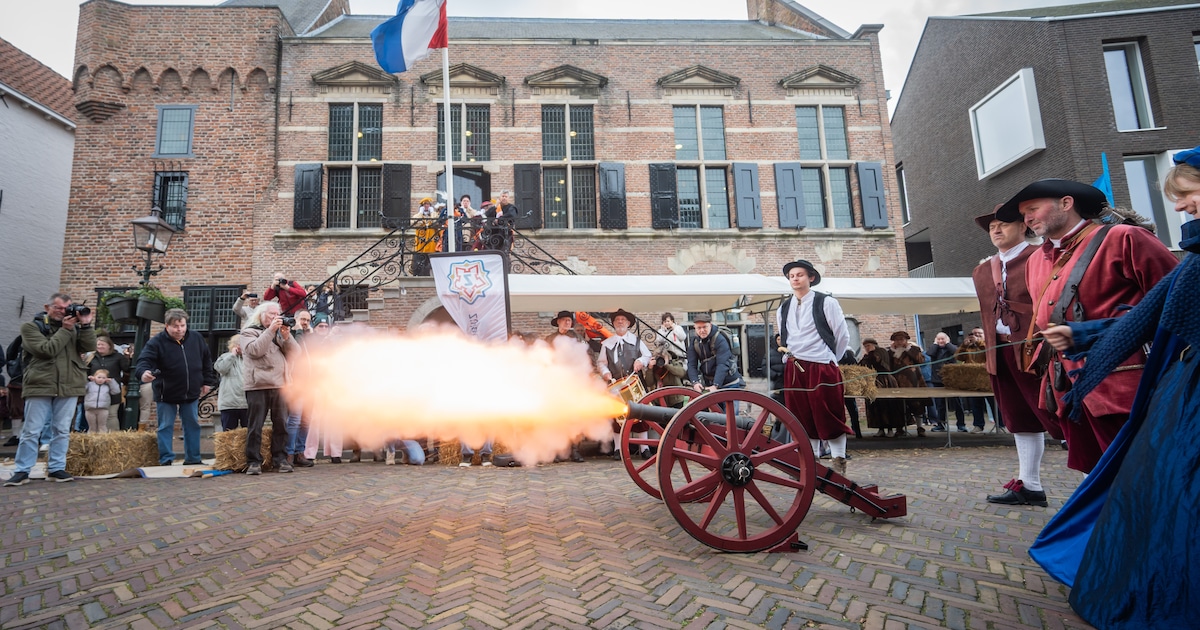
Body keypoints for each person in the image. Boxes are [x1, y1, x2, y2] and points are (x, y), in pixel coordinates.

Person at [1028, 148, 1200, 627]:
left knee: (1154, 483)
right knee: (1133, 483)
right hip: (1103, 382)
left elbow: (1163, 305)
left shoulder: (1123, 238)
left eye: (1188, 195)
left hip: (1145, 385)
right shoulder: (1044, 258)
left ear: (1066, 203)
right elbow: (1148, 313)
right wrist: (1078, 335)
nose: (1182, 207)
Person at [996, 178, 1178, 473]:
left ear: (1066, 204)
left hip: (1125, 384)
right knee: (1095, 479)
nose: (1027, 219)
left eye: (1032, 208)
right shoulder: (1035, 261)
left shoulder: (1125, 237)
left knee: (1143, 474)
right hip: (1067, 389)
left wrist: (1090, 333)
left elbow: (1179, 303)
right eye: (1024, 214)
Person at [969, 208, 1065, 507]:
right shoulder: (982, 270)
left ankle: (1095, 484)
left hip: (1037, 351)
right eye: (992, 227)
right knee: (1018, 418)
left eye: (1003, 225)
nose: (996, 230)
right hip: (999, 352)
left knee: (1059, 414)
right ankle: (1030, 485)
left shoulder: (1045, 256)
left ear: (1023, 227)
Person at [4, 293, 95, 486]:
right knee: (31, 430)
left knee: (62, 430)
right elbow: (46, 350)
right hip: (40, 384)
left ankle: (56, 467)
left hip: (68, 384)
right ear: (47, 307)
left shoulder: (73, 328)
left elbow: (89, 347)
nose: (64, 312)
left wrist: (86, 325)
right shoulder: (30, 327)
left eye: (67, 308)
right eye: (59, 308)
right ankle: (22, 470)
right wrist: (66, 330)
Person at [774, 260, 853, 474]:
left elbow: (842, 335)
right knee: (801, 413)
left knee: (828, 411)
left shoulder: (826, 302)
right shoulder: (783, 308)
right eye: (791, 275)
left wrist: (830, 358)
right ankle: (812, 460)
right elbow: (785, 337)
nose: (795, 278)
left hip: (821, 365)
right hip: (794, 365)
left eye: (800, 274)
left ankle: (838, 459)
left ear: (810, 277)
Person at [135, 309, 217, 466]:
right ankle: (166, 459)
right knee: (165, 426)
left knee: (192, 424)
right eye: (175, 326)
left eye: (182, 325)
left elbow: (207, 360)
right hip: (166, 393)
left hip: (191, 392)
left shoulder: (196, 338)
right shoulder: (156, 342)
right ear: (167, 326)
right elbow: (144, 360)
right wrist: (143, 373)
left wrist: (207, 381)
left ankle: (193, 458)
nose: (180, 329)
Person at [240, 302, 299, 474]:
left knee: (281, 423)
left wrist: (287, 337)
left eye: (277, 314)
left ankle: (280, 459)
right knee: (255, 425)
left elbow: (296, 354)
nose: (275, 317)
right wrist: (271, 330)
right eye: (271, 314)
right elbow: (255, 351)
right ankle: (253, 461)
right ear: (261, 315)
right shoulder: (248, 331)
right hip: (257, 385)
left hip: (280, 384)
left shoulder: (279, 333)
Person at [597, 308, 652, 459]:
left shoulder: (637, 341)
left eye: (623, 320)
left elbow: (647, 355)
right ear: (614, 324)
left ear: (628, 323)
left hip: (634, 382)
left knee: (641, 415)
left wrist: (640, 361)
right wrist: (605, 372)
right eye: (617, 320)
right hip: (615, 386)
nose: (620, 322)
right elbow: (601, 363)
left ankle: (644, 448)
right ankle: (618, 449)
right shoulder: (607, 344)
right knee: (617, 417)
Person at [686, 313, 745, 394]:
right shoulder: (694, 341)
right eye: (699, 328)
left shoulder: (720, 339)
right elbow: (691, 364)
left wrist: (716, 385)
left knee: (730, 407)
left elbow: (722, 364)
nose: (702, 330)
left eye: (704, 327)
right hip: (709, 382)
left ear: (710, 325)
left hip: (728, 383)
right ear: (694, 327)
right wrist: (695, 382)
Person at [858, 338, 905, 437]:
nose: (866, 348)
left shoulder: (881, 352)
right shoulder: (868, 355)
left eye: (868, 346)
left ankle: (890, 429)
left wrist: (870, 354)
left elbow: (877, 361)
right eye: (865, 347)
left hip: (885, 380)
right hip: (873, 381)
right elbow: (862, 365)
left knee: (888, 404)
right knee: (875, 405)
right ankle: (881, 428)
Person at [887, 331, 929, 437]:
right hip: (897, 381)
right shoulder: (890, 352)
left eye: (902, 340)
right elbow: (888, 366)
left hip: (913, 380)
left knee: (916, 403)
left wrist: (908, 350)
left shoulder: (914, 349)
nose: (899, 342)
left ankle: (920, 427)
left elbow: (921, 360)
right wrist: (892, 352)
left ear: (906, 340)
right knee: (898, 404)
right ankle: (899, 428)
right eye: (897, 340)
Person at [87, 335, 130, 431]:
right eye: (98, 345)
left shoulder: (118, 357)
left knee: (111, 414)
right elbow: (86, 373)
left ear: (109, 346)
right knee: (95, 416)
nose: (100, 347)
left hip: (112, 390)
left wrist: (128, 358)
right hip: (95, 392)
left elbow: (127, 369)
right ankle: (97, 437)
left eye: (103, 345)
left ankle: (113, 437)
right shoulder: (91, 358)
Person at [926, 332, 964, 432]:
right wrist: (935, 344)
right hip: (937, 379)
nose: (940, 341)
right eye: (938, 339)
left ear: (947, 339)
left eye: (942, 339)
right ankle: (941, 424)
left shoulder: (951, 347)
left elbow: (956, 352)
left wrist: (947, 344)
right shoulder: (934, 349)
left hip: (952, 379)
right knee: (940, 404)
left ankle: (961, 424)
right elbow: (930, 354)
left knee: (957, 403)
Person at [954, 328, 990, 432]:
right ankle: (978, 425)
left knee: (993, 403)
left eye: (979, 333)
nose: (977, 335)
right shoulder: (968, 347)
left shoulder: (987, 344)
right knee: (976, 404)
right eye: (974, 334)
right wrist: (964, 346)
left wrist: (978, 342)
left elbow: (989, 353)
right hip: (973, 380)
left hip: (986, 378)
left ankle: (1000, 424)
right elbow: (958, 357)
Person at [213, 337, 248, 431]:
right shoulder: (225, 357)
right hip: (229, 403)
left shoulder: (250, 359)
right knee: (228, 435)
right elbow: (221, 368)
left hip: (246, 403)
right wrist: (232, 355)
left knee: (249, 433)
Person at [83, 369, 120, 434]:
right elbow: (83, 389)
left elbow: (116, 391)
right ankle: (91, 439)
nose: (100, 379)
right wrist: (86, 380)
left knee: (102, 426)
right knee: (92, 427)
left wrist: (111, 382)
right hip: (90, 409)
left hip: (103, 409)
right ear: (94, 377)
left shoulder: (107, 386)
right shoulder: (89, 385)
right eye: (99, 377)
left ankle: (102, 439)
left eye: (103, 378)